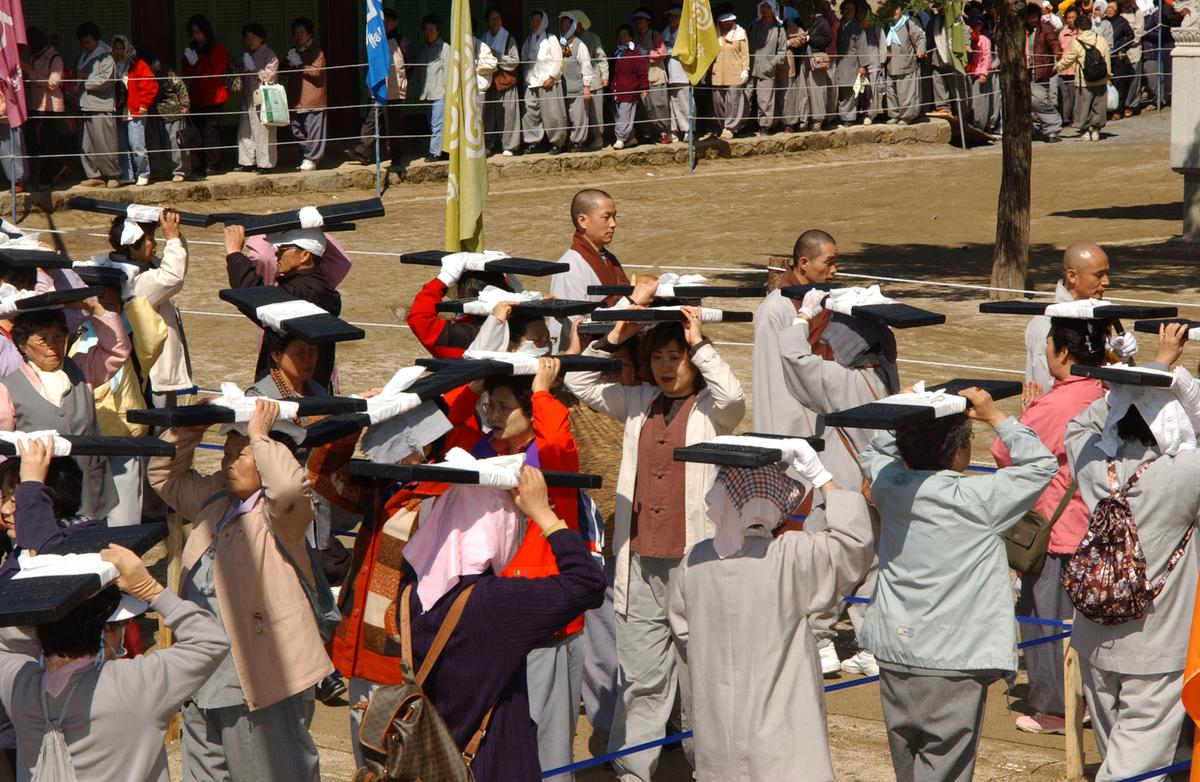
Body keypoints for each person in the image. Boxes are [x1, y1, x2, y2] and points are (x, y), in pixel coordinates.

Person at [567, 309, 746, 782]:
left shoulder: (711, 409)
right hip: (640, 562)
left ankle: (706, 770)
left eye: (677, 356)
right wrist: (615, 336)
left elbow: (735, 398)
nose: (667, 367)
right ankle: (634, 773)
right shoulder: (638, 400)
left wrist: (700, 341)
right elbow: (581, 384)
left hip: (696, 565)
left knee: (698, 683)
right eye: (660, 357)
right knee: (642, 680)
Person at [859, 388, 1057, 782]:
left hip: (894, 650)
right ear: (957, 452)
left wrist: (904, 408)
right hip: (954, 658)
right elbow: (1040, 464)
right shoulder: (977, 497)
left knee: (907, 766)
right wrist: (995, 417)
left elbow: (874, 452)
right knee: (945, 768)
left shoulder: (891, 487)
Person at [150, 399, 330, 781]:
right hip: (201, 671)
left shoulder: (280, 515)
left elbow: (287, 488)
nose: (228, 462)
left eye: (241, 453)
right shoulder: (216, 497)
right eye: (226, 453)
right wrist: (190, 428)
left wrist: (260, 436)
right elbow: (165, 477)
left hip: (259, 675)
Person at [389, 466, 605, 782]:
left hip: (434, 763)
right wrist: (545, 515)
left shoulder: (413, 590)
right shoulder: (491, 603)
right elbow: (588, 583)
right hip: (491, 765)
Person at [669, 456, 873, 782]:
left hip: (718, 730)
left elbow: (683, 634)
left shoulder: (695, 559)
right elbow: (854, 544)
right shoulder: (789, 555)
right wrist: (822, 477)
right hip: (782, 734)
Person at [1064, 324, 1200, 781]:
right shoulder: (1185, 472)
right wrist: (1168, 371)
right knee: (1134, 768)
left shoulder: (1089, 458)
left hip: (1093, 633)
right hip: (1158, 643)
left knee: (1114, 750)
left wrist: (1136, 375)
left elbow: (1081, 421)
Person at [0, 539, 228, 782]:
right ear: (105, 631)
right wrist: (151, 590)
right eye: (120, 624)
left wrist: (39, 608)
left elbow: (6, 644)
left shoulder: (18, 686)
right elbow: (211, 641)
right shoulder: (134, 684)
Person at [779, 286, 904, 676]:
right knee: (873, 562)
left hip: (839, 482)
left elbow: (793, 357)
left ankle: (820, 640)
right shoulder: (886, 373)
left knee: (827, 560)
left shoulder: (839, 379)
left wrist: (802, 318)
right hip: (877, 481)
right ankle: (873, 645)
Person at [991, 317, 1106, 735]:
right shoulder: (1105, 391)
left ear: (1063, 352)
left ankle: (1056, 708)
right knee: (1086, 624)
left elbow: (1004, 451)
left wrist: (1023, 419)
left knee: (1046, 622)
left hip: (1057, 531)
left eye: (1049, 345)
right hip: (1096, 526)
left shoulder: (1056, 404)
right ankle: (1089, 700)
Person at [0, 301, 130, 519]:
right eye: (43, 339)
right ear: (22, 345)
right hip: (41, 500)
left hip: (91, 493)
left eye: (58, 337)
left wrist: (96, 309)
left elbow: (117, 349)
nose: (53, 346)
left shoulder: (83, 368)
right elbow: (3, 450)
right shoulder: (8, 389)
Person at [70, 257, 168, 527]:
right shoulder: (72, 337)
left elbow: (155, 334)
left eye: (112, 305)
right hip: (83, 442)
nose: (104, 312)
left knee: (123, 518)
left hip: (122, 441)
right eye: (97, 305)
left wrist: (132, 295)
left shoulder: (132, 342)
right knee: (86, 515)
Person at [225, 224, 341, 390]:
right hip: (308, 387)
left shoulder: (304, 292)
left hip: (293, 390)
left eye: (283, 248)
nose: (276, 254)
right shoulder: (314, 286)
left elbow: (254, 298)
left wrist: (235, 254)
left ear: (305, 255)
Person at [751, 228, 838, 437]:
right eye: (828, 262)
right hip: (789, 423)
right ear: (804, 263)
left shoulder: (824, 299)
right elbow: (772, 378)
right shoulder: (775, 309)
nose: (835, 270)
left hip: (823, 411)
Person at [1023, 241, 1129, 400]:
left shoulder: (1094, 314)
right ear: (1072, 276)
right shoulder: (1048, 324)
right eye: (1098, 275)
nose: (1106, 282)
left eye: (1107, 274)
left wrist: (1119, 357)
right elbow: (1049, 386)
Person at [347, 8, 410, 166]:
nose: (385, 23)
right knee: (371, 120)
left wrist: (401, 82)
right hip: (379, 88)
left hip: (395, 90)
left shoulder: (403, 42)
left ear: (394, 22)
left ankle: (396, 157)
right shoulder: (375, 39)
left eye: (388, 20)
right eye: (383, 20)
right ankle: (363, 151)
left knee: (394, 125)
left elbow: (409, 65)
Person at [181, 14, 230, 178]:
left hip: (213, 96)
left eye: (198, 32)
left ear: (205, 31)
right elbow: (187, 72)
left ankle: (213, 165)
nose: (196, 36)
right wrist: (190, 62)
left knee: (211, 132)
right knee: (199, 132)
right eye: (193, 32)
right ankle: (200, 163)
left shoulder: (217, 47)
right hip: (197, 97)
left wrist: (198, 61)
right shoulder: (192, 48)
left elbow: (214, 70)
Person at [75, 22, 121, 189]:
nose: (85, 45)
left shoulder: (107, 57)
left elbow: (106, 81)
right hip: (85, 105)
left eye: (88, 42)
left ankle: (112, 174)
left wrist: (84, 78)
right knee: (86, 144)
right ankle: (94, 174)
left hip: (102, 105)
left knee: (105, 142)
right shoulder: (84, 56)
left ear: (96, 40)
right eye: (83, 42)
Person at [23, 28, 68, 189]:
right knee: (33, 143)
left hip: (50, 108)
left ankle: (46, 179)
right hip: (35, 106)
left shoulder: (55, 58)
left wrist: (31, 73)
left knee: (47, 144)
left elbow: (53, 83)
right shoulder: (34, 57)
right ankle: (55, 167)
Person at [1056, 12, 1112, 142]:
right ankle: (1096, 131)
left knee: (1083, 108)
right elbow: (1107, 59)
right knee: (1099, 107)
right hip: (1101, 79)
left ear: (1078, 28)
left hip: (1084, 82)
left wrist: (1058, 66)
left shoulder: (1076, 42)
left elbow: (1068, 59)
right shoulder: (1101, 40)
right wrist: (1108, 76)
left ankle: (1086, 131)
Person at [113, 37, 157, 186]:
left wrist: (144, 104)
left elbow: (149, 84)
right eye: (115, 48)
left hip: (135, 110)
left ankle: (143, 172)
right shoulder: (112, 65)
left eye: (121, 48)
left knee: (137, 143)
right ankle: (127, 174)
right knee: (122, 145)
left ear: (127, 48)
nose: (118, 51)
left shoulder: (138, 64)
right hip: (119, 111)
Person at [523, 10, 567, 155]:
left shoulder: (551, 38)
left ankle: (557, 143)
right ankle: (535, 142)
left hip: (548, 82)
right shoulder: (529, 41)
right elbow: (526, 62)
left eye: (538, 21)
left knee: (552, 114)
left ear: (544, 23)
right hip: (532, 82)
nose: (534, 24)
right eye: (532, 21)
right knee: (531, 114)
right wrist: (526, 78)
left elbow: (558, 59)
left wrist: (552, 77)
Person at [236, 23, 279, 173]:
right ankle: (248, 162)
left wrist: (253, 69)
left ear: (262, 38)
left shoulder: (269, 55)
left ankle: (265, 164)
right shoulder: (248, 54)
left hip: (263, 97)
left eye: (253, 37)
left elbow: (269, 77)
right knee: (245, 130)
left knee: (264, 131)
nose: (250, 41)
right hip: (248, 97)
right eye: (247, 38)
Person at [286, 18, 327, 172]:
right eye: (296, 32)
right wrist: (288, 63)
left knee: (314, 131)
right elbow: (283, 68)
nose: (299, 35)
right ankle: (308, 154)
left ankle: (312, 158)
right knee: (294, 129)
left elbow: (316, 72)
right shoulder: (294, 50)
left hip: (313, 98)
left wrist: (300, 65)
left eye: (302, 32)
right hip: (296, 98)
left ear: (309, 33)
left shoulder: (317, 52)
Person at [482, 7, 521, 156]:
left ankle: (509, 145)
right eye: (492, 18)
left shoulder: (508, 38)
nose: (495, 21)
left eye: (497, 18)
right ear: (487, 21)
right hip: (489, 82)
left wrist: (497, 56)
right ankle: (488, 144)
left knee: (508, 116)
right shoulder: (484, 38)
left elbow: (515, 61)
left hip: (506, 81)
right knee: (488, 117)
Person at [558, 12, 595, 154]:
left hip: (577, 87)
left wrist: (586, 87)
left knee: (578, 116)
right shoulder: (562, 45)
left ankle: (577, 142)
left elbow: (586, 67)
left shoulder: (580, 45)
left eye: (568, 26)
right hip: (564, 88)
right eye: (562, 26)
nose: (564, 28)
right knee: (566, 116)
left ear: (573, 27)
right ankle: (569, 140)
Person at [748, 1, 788, 135]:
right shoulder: (753, 25)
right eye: (762, 7)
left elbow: (782, 52)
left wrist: (771, 64)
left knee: (765, 100)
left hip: (767, 70)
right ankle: (742, 125)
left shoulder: (779, 29)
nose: (764, 10)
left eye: (767, 7)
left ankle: (764, 127)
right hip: (750, 68)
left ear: (773, 9)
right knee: (746, 96)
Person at [150, 56, 191, 183]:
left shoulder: (168, 73)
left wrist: (184, 105)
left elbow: (181, 87)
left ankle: (179, 171)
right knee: (155, 143)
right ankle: (159, 171)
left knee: (174, 142)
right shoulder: (143, 72)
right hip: (153, 113)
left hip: (172, 111)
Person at [1027, 2, 1065, 142]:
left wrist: (1057, 53)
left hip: (1041, 70)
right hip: (1025, 71)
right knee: (1027, 102)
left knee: (1040, 101)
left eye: (1034, 17)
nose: (1032, 20)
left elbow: (1053, 42)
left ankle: (1053, 129)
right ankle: (1035, 129)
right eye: (1029, 17)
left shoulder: (1045, 28)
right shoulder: (1022, 30)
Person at [711, 5, 750, 139]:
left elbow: (745, 54)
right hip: (718, 72)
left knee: (733, 101)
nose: (728, 22)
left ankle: (731, 127)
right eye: (725, 20)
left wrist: (745, 69)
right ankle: (723, 125)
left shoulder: (740, 31)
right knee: (718, 101)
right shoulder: (713, 32)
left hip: (735, 71)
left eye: (730, 19)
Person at [632, 9, 670, 144]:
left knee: (659, 105)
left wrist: (647, 53)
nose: (639, 22)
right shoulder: (636, 38)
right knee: (645, 107)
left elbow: (662, 53)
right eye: (637, 20)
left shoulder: (655, 35)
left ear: (647, 21)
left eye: (641, 19)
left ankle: (664, 132)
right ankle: (650, 132)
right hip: (642, 78)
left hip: (655, 75)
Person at [885, 5, 926, 125]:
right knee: (891, 91)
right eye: (891, 9)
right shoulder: (888, 26)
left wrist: (920, 50)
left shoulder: (909, 23)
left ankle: (907, 116)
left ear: (901, 10)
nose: (894, 12)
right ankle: (894, 114)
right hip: (891, 65)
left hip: (906, 63)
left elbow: (920, 37)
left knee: (906, 93)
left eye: (896, 8)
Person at [611, 24, 650, 149]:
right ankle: (631, 138)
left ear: (630, 37)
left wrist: (644, 87)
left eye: (625, 35)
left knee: (624, 115)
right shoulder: (616, 53)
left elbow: (642, 73)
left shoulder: (635, 54)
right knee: (620, 116)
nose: (622, 38)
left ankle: (620, 138)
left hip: (629, 91)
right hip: (617, 91)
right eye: (620, 35)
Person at [575, 12, 609, 151]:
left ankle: (598, 138)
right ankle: (581, 140)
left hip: (594, 81)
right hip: (578, 82)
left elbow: (601, 58)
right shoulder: (571, 40)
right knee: (581, 114)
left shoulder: (593, 38)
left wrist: (604, 76)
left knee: (596, 113)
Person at [419, 15, 451, 163]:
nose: (429, 32)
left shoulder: (445, 48)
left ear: (438, 31)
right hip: (426, 94)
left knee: (437, 123)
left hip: (440, 92)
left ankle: (435, 153)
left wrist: (449, 93)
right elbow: (420, 73)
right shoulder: (423, 49)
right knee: (433, 124)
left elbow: (449, 71)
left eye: (432, 29)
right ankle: (443, 150)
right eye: (426, 29)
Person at [801, 4, 835, 131]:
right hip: (805, 60)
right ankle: (805, 119)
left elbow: (827, 39)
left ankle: (818, 120)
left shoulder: (822, 22)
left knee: (817, 91)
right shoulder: (806, 22)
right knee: (805, 91)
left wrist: (809, 38)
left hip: (817, 60)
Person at [834, 0, 866, 126]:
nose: (848, 11)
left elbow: (862, 47)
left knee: (850, 92)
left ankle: (849, 117)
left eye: (851, 9)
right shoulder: (837, 25)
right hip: (838, 62)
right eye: (846, 8)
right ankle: (840, 115)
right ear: (841, 10)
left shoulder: (857, 28)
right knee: (839, 92)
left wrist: (862, 66)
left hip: (851, 63)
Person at [661, 6, 690, 142]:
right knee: (671, 103)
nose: (673, 19)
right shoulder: (664, 34)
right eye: (671, 16)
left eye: (676, 16)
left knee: (684, 102)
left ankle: (688, 130)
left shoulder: (687, 33)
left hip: (683, 73)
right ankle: (673, 130)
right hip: (669, 72)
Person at [967, 14, 999, 132]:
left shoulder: (984, 39)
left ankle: (980, 126)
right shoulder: (967, 39)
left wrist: (984, 73)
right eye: (974, 23)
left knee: (980, 102)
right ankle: (972, 125)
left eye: (978, 24)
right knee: (971, 102)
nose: (976, 26)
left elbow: (987, 57)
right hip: (970, 73)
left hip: (980, 74)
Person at [858, 4, 888, 125]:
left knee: (872, 90)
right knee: (862, 90)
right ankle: (864, 112)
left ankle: (871, 114)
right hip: (860, 64)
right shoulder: (857, 27)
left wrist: (882, 61)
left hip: (873, 62)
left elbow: (882, 43)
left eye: (861, 11)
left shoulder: (875, 26)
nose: (859, 14)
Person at [1057, 7, 1080, 125]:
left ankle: (1073, 118)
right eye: (1069, 18)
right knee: (1063, 96)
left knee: (1073, 97)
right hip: (1063, 69)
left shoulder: (1081, 33)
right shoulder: (1062, 33)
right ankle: (1065, 119)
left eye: (1073, 18)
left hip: (1075, 69)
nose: (1071, 20)